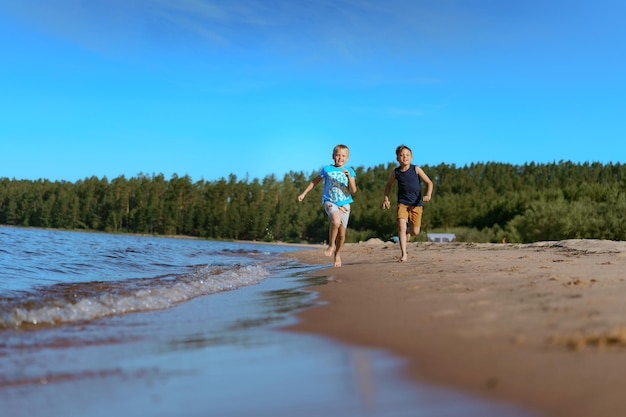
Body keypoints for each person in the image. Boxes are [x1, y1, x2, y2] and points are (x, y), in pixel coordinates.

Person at [298, 144, 357, 267]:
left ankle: (337, 254)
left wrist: (349, 178)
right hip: (329, 201)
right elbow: (315, 181)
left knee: (342, 235)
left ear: (347, 158)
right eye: (338, 155)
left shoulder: (350, 171)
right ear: (333, 156)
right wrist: (304, 193)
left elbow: (353, 190)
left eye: (343, 156)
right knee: (335, 221)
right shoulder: (327, 169)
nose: (340, 158)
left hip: (345, 204)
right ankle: (331, 245)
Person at [382, 144, 433, 262]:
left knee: (415, 231)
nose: (404, 157)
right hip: (402, 204)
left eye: (407, 155)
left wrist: (428, 194)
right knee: (401, 225)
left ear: (411, 157)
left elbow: (429, 182)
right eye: (401, 155)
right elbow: (388, 185)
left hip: (417, 204)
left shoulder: (416, 169)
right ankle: (404, 254)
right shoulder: (396, 172)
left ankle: (408, 232)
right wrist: (386, 198)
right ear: (397, 158)